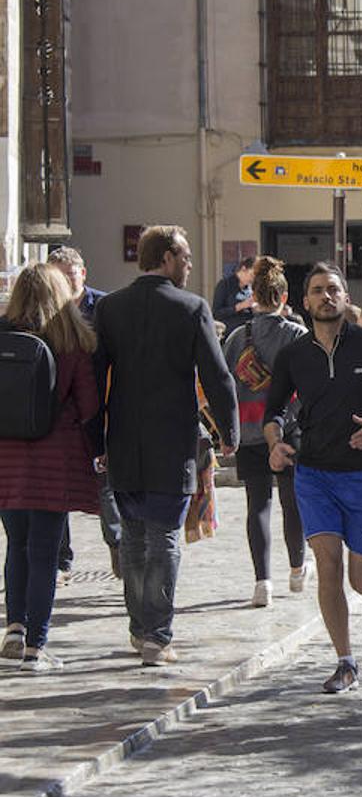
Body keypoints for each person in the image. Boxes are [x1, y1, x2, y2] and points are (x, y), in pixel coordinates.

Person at [264, 262, 362, 694]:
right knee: (328, 564)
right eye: (317, 290)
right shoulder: (294, 355)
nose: (326, 296)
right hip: (314, 475)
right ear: (304, 301)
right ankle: (345, 662)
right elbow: (274, 411)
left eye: (333, 289)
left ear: (346, 298)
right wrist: (274, 443)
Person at [95, 225, 239, 666]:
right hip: (172, 443)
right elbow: (217, 375)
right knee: (164, 538)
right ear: (167, 256)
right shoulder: (191, 308)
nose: (190, 265)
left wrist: (94, 438)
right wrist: (229, 431)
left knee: (134, 539)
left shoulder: (110, 307)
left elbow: (94, 377)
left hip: (123, 440)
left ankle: (140, 629)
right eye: (186, 257)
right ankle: (157, 636)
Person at [0, 264, 102, 672]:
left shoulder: (2, 335)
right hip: (54, 460)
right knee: (45, 553)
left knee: (16, 545)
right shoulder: (72, 341)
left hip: (5, 458)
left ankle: (14, 628)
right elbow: (90, 406)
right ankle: (36, 647)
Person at [222, 256, 310, 608]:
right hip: (288, 430)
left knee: (257, 505)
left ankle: (262, 582)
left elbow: (225, 385)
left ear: (254, 296)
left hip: (249, 429)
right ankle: (297, 568)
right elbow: (308, 388)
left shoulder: (236, 337)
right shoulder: (297, 335)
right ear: (284, 297)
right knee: (292, 502)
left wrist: (227, 431)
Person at [48, 246, 121, 580]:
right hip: (62, 412)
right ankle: (61, 558)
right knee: (57, 486)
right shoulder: (48, 311)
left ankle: (118, 548)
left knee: (106, 485)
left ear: (83, 273)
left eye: (70, 274)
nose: (65, 281)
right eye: (58, 276)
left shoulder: (104, 307)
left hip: (100, 407)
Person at [212, 256, 256, 339]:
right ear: (243, 269)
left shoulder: (250, 289)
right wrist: (239, 306)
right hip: (229, 335)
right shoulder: (225, 285)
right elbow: (216, 314)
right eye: (251, 275)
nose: (253, 279)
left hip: (247, 334)